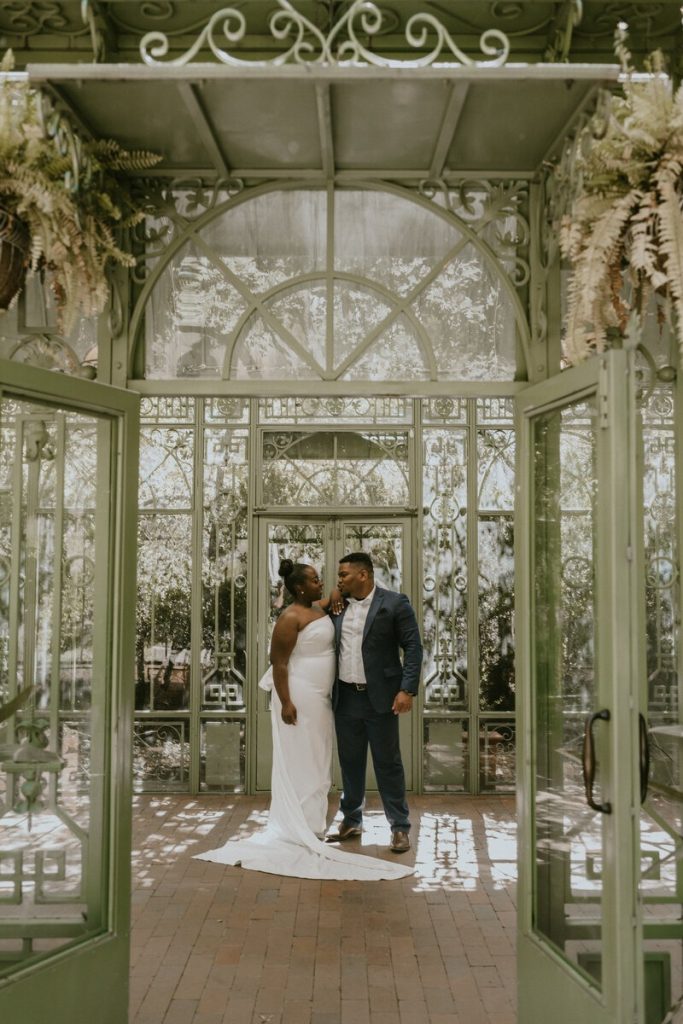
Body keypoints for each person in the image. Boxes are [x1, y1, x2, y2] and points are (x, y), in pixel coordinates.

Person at [194, 558, 412, 881]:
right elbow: (279, 663)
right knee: (319, 761)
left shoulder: (337, 607)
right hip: (310, 697)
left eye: (335, 576)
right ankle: (324, 823)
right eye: (316, 579)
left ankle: (375, 826)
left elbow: (409, 645)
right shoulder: (292, 617)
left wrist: (406, 689)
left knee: (348, 760)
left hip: (339, 700)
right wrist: (285, 701)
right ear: (299, 587)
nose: (326, 582)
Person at [327, 552, 422, 853]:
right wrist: (333, 594)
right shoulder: (337, 606)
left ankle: (399, 827)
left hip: (380, 698)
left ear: (363, 575)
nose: (339, 579)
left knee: (387, 763)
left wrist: (406, 689)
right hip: (346, 698)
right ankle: (352, 819)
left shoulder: (395, 603)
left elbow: (413, 647)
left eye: (343, 575)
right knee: (350, 763)